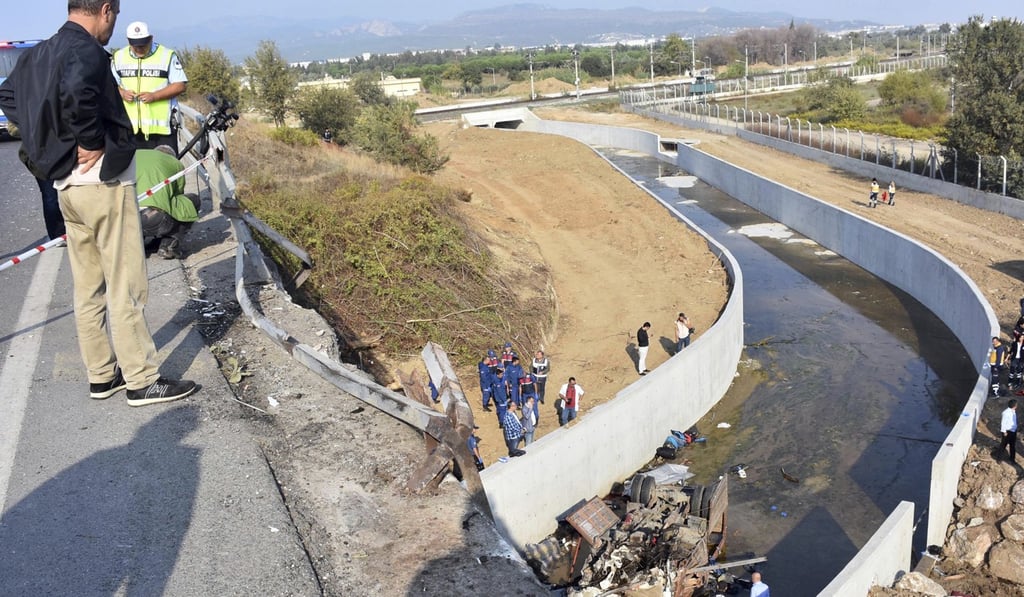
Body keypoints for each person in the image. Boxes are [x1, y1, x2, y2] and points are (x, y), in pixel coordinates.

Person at [0, 0, 196, 407]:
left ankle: (102, 376)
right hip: (102, 183)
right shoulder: (87, 50)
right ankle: (142, 380)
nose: (113, 26)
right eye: (115, 17)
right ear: (105, 10)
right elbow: (76, 92)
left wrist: (47, 141)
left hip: (66, 187)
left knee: (88, 287)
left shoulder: (39, 51)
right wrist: (89, 141)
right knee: (126, 282)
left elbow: (8, 94)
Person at [111, 21, 188, 154]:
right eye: (136, 45)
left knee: (164, 171)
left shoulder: (167, 55)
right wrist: (122, 93)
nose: (139, 48)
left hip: (162, 130)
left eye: (143, 44)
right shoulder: (118, 57)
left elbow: (180, 85)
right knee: (135, 172)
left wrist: (155, 96)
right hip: (130, 130)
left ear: (151, 38)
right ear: (128, 42)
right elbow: (110, 85)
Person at [137, 146, 200, 259]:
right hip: (155, 218)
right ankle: (168, 244)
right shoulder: (176, 163)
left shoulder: (136, 155)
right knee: (191, 201)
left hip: (126, 218)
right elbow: (177, 195)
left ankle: (137, 244)